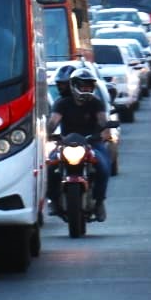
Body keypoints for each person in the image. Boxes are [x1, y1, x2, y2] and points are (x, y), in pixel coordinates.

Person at [47, 65, 112, 221]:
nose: (86, 89)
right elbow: (53, 121)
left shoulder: (96, 103)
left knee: (104, 167)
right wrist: (47, 132)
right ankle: (54, 201)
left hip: (92, 143)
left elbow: (103, 120)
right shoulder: (62, 103)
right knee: (50, 166)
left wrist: (105, 129)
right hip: (66, 143)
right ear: (74, 85)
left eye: (89, 86)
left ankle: (99, 202)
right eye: (83, 85)